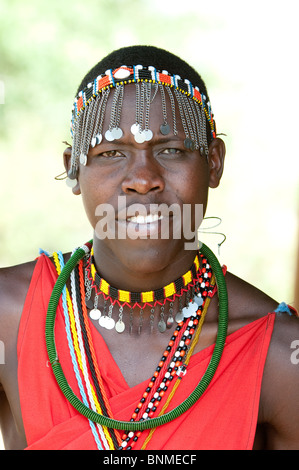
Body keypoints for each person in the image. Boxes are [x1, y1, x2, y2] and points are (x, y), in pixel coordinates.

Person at [0, 45, 298, 451]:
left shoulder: (278, 354)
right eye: (111, 153)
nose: (142, 179)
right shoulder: (9, 316)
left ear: (214, 163)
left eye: (171, 150)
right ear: (74, 169)